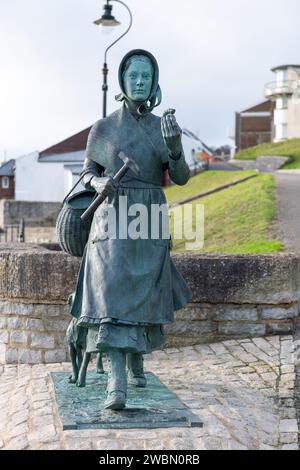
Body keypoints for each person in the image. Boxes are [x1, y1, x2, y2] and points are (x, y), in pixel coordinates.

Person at [70, 49, 193, 410]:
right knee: (109, 294)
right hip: (112, 215)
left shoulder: (161, 127)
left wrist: (175, 148)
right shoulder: (104, 128)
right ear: (122, 81)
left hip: (149, 216)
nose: (140, 82)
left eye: (146, 76)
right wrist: (98, 184)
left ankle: (137, 361)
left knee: (143, 294)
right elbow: (86, 173)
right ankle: (116, 382)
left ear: (155, 82)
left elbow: (182, 178)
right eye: (133, 76)